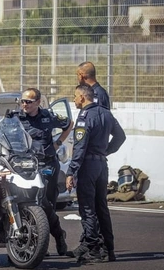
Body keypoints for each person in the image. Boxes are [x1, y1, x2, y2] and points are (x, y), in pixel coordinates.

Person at [66, 84, 126, 263]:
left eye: (75, 96)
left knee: (87, 209)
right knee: (102, 208)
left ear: (83, 97)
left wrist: (71, 171)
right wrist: (105, 151)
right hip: (102, 166)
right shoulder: (106, 113)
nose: (74, 100)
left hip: (88, 167)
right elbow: (120, 136)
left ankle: (94, 250)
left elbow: (80, 147)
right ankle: (109, 249)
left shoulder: (84, 117)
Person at [17, 87, 74, 256]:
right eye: (22, 101)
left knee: (45, 204)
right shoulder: (16, 118)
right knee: (21, 204)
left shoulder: (48, 116)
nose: (24, 105)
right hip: (24, 166)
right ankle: (34, 245)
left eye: (28, 102)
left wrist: (58, 144)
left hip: (46, 165)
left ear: (38, 102)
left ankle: (58, 236)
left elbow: (68, 124)